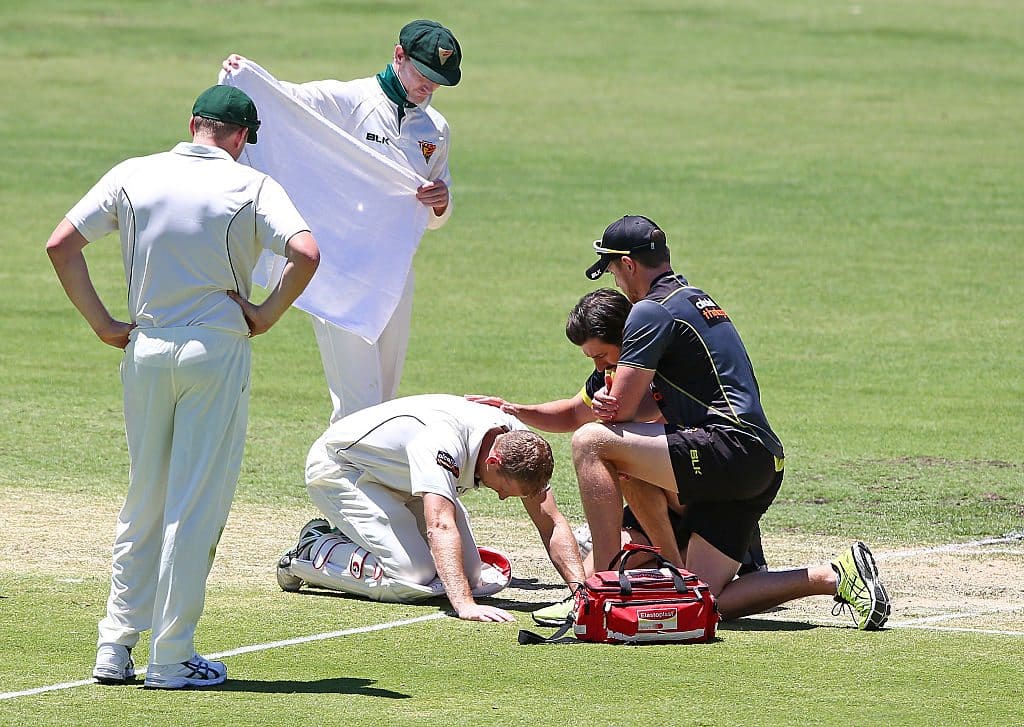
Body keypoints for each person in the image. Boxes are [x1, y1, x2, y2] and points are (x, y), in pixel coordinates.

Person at [46, 85, 320, 688]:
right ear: (243, 138)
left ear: (193, 122)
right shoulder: (253, 186)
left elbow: (61, 244)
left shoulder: (134, 173)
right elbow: (305, 252)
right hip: (214, 349)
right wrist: (266, 314)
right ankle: (170, 657)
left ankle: (114, 647)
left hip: (144, 347)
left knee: (143, 498)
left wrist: (103, 324)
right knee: (193, 505)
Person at [572, 215, 890, 630]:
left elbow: (624, 413)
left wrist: (606, 404)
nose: (615, 281)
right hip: (761, 460)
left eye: (613, 269)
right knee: (701, 602)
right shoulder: (694, 298)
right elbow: (657, 404)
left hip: (728, 449)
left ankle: (600, 586)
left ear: (629, 265)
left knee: (591, 443)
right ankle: (833, 576)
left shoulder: (649, 310)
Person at [468, 288, 768, 625]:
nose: (598, 365)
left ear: (627, 337)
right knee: (592, 572)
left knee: (602, 449)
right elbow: (570, 414)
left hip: (702, 485)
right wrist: (513, 410)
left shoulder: (665, 358)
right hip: (662, 501)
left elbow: (678, 431)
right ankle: (661, 569)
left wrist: (627, 413)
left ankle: (656, 573)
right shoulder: (611, 370)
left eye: (602, 355)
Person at [223, 19, 460, 422]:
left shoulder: (435, 129)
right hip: (339, 271)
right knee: (358, 402)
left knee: (384, 397)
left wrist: (441, 202)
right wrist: (246, 77)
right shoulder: (347, 99)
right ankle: (340, 481)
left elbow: (436, 214)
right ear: (398, 56)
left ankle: (367, 479)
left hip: (394, 271)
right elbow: (284, 104)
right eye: (424, 75)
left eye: (439, 81)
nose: (429, 87)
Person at [276, 394, 586, 623]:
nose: (503, 498)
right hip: (342, 469)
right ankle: (311, 549)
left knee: (470, 574)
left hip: (401, 478)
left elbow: (552, 523)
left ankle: (359, 542)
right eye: (505, 490)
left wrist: (581, 594)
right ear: (493, 462)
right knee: (413, 574)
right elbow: (440, 524)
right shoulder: (443, 442)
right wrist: (465, 605)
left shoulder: (519, 444)